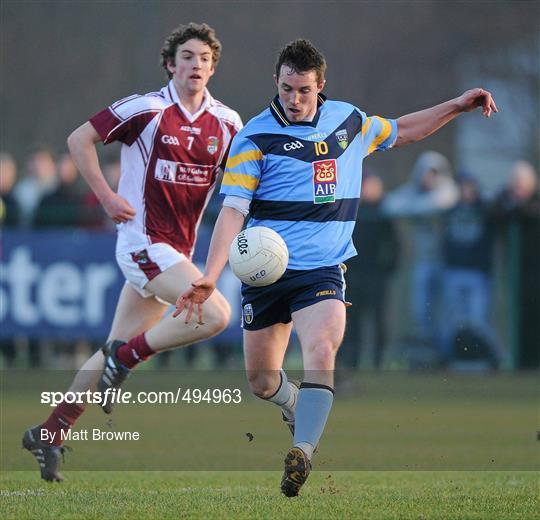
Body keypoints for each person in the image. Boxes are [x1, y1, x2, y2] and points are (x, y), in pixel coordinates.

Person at [174, 39, 498, 497]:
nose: (294, 98)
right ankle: (293, 406)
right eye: (287, 88)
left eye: (303, 89)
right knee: (262, 381)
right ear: (276, 82)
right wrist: (210, 273)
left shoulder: (348, 120)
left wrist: (458, 105)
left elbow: (403, 130)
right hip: (267, 275)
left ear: (320, 85)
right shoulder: (254, 137)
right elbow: (232, 210)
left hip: (323, 270)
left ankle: (302, 452)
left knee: (321, 352)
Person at [22, 22, 242, 482]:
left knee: (107, 350)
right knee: (218, 314)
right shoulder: (146, 108)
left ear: (213, 67)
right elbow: (78, 139)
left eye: (204, 58)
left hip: (175, 251)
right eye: (186, 56)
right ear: (170, 64)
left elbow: (243, 184)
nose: (195, 64)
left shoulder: (228, 124)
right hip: (142, 243)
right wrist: (104, 195)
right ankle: (129, 358)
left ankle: (51, 431)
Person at [383, 151, 458, 356]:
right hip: (422, 263)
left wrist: (412, 207)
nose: (429, 177)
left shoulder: (448, 189)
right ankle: (427, 354)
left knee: (446, 312)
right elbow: (390, 204)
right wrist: (414, 203)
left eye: (435, 173)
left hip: (449, 263)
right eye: (427, 172)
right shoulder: (415, 192)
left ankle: (447, 355)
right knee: (420, 311)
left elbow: (441, 201)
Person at [338, 170, 400, 370]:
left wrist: (388, 268)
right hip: (353, 274)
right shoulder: (351, 212)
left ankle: (379, 360)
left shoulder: (384, 214)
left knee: (378, 318)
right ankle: (351, 359)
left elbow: (394, 245)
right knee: (352, 319)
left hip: (376, 275)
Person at [441, 171, 498, 367]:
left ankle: (490, 358)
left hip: (477, 273)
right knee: (455, 322)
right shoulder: (451, 209)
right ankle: (450, 359)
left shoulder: (485, 210)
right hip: (454, 272)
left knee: (478, 321)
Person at [491, 161, 540, 369]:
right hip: (513, 270)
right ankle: (519, 360)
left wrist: (520, 208)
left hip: (534, 269)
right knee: (515, 314)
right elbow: (495, 213)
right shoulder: (504, 202)